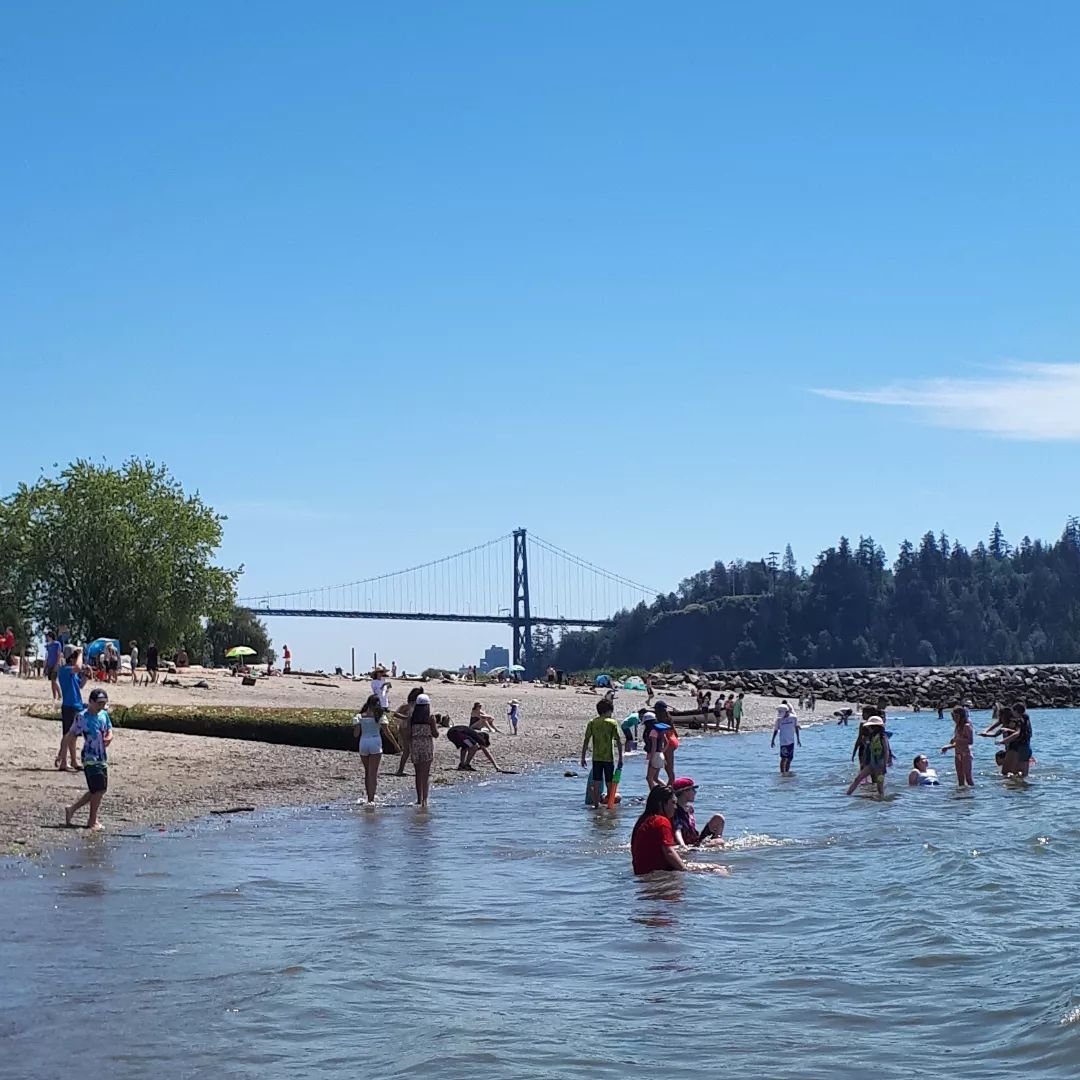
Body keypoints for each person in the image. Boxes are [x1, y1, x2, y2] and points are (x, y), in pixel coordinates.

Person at [62, 688, 114, 830]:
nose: (101, 706)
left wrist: (109, 737)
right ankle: (92, 820)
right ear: (90, 702)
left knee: (98, 790)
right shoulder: (82, 717)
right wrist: (65, 756)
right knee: (98, 789)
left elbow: (109, 729)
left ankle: (72, 809)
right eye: (99, 703)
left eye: (103, 703)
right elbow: (71, 735)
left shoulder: (104, 715)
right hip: (89, 756)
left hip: (102, 756)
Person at [630, 785, 688, 875]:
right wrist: (685, 870)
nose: (675, 807)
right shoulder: (661, 821)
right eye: (673, 803)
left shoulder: (643, 820)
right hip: (658, 872)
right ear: (661, 803)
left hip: (640, 872)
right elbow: (669, 852)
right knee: (715, 868)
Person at [354, 694, 398, 804]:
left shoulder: (359, 716)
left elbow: (356, 734)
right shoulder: (380, 716)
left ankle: (368, 796)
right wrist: (396, 745)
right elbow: (387, 733)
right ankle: (371, 799)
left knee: (367, 772)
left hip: (363, 743)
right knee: (373, 773)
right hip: (375, 742)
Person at [580, 698, 623, 811]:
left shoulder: (592, 722)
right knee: (609, 782)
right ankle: (610, 804)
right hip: (608, 757)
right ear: (608, 711)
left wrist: (583, 757)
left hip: (596, 757)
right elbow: (618, 741)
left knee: (597, 781)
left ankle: (595, 805)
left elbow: (586, 740)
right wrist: (620, 758)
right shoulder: (612, 723)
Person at [55, 647, 86, 771]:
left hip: (76, 705)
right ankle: (63, 760)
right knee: (67, 735)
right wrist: (81, 653)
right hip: (69, 706)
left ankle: (73, 761)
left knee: (73, 736)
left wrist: (87, 675)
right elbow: (78, 667)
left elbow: (80, 685)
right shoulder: (64, 670)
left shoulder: (72, 673)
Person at [672, 777, 725, 846]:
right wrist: (682, 845)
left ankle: (716, 839)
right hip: (687, 843)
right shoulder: (676, 810)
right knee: (720, 843)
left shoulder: (689, 809)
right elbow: (677, 830)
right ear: (685, 792)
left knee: (718, 818)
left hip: (695, 839)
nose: (695, 792)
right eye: (693, 789)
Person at [846, 716, 891, 796]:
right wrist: (864, 762)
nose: (869, 728)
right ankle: (847, 795)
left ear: (875, 727)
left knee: (879, 787)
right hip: (871, 764)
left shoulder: (883, 737)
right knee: (858, 779)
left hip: (880, 764)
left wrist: (884, 765)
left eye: (870, 727)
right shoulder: (871, 737)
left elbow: (886, 751)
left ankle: (881, 801)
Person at [408, 694, 438, 808]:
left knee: (418, 773)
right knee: (425, 774)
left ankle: (418, 799)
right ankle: (425, 800)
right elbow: (435, 734)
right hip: (426, 745)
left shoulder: (412, 717)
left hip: (415, 744)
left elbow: (409, 733)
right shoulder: (430, 717)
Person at [393, 686, 425, 776]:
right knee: (407, 750)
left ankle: (408, 769)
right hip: (406, 728)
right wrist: (406, 717)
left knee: (412, 749)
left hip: (411, 728)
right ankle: (401, 770)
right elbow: (395, 714)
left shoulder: (416, 706)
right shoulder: (408, 706)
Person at [941, 706, 975, 787]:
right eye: (953, 717)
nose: (954, 719)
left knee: (968, 777)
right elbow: (957, 743)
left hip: (965, 754)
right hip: (957, 754)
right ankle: (961, 795)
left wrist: (958, 740)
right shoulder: (957, 727)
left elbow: (970, 741)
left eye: (955, 717)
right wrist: (948, 747)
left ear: (961, 716)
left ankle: (971, 795)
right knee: (960, 778)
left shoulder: (967, 726)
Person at [1000, 702, 1033, 778]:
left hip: (1020, 748)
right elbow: (1022, 732)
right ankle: (1023, 787)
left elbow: (1017, 733)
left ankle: (1014, 786)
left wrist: (1003, 741)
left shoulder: (1019, 721)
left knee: (1012, 772)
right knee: (1024, 774)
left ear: (1016, 711)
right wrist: (1008, 729)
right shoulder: (1026, 719)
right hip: (1027, 747)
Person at [770, 703, 801, 774]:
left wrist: (798, 739)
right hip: (783, 742)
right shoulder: (779, 720)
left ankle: (786, 772)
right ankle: (782, 773)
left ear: (787, 712)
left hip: (791, 741)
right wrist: (772, 740)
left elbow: (796, 728)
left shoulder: (793, 718)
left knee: (790, 759)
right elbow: (776, 730)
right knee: (783, 758)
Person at [653, 700, 678, 784]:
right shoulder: (669, 718)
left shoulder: (660, 720)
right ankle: (668, 789)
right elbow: (676, 733)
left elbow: (662, 736)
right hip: (673, 740)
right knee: (669, 769)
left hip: (668, 742)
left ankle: (670, 792)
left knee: (669, 772)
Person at [643, 712, 667, 789]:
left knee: (649, 778)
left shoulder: (653, 732)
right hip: (660, 755)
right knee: (655, 778)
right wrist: (662, 752)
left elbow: (653, 747)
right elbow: (667, 742)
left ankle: (653, 796)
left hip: (655, 756)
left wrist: (651, 760)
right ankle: (669, 791)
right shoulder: (660, 731)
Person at [44, 631, 62, 701]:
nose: (47, 638)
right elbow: (48, 656)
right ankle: (54, 696)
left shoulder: (57, 644)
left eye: (47, 636)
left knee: (54, 680)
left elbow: (58, 654)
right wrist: (46, 666)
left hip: (55, 664)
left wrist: (57, 664)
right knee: (52, 681)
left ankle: (59, 695)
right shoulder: (48, 645)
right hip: (49, 664)